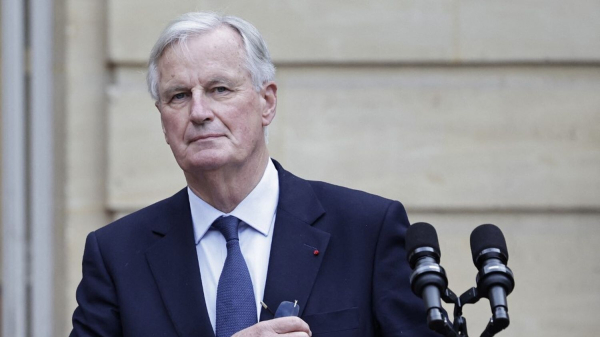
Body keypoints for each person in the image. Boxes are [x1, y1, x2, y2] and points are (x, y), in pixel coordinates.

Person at [70, 12, 437, 337]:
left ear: (267, 102)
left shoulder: (366, 230)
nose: (199, 112)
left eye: (219, 89)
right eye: (179, 96)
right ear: (163, 121)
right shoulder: (117, 255)